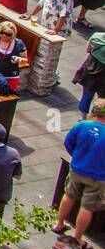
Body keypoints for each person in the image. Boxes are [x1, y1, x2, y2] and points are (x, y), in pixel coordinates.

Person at [53, 97, 105, 241]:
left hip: (77, 168)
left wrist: (76, 157)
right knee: (87, 207)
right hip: (98, 176)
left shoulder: (82, 125)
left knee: (69, 195)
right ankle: (77, 238)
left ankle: (59, 224)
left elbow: (68, 143)